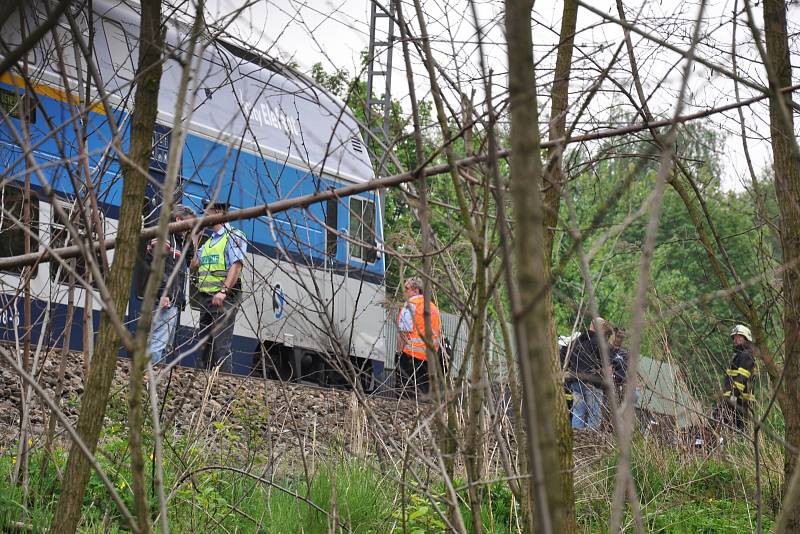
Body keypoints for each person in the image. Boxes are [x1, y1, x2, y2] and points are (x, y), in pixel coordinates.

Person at [191, 200, 247, 373]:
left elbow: (236, 266)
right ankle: (204, 382)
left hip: (225, 299)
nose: (204, 218)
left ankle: (223, 383)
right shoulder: (208, 242)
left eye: (207, 214)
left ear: (217, 213)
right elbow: (194, 264)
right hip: (206, 298)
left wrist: (223, 291)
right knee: (205, 346)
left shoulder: (233, 236)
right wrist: (194, 239)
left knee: (220, 345)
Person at [146, 204, 195, 363]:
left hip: (173, 299)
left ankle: (154, 378)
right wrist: (163, 293)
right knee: (158, 340)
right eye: (189, 224)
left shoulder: (178, 241)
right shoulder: (164, 236)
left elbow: (190, 261)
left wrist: (190, 237)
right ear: (179, 219)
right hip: (165, 296)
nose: (190, 228)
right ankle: (149, 377)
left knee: (164, 342)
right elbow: (158, 265)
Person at [395, 276, 441, 398]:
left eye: (407, 288)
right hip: (429, 358)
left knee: (405, 395)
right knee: (423, 396)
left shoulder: (410, 305)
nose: (404, 291)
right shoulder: (433, 308)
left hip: (410, 356)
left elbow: (403, 333)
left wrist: (399, 354)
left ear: (416, 290)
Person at [566, 317, 611, 430]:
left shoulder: (577, 341)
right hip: (593, 384)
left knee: (578, 413)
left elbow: (564, 353)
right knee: (594, 415)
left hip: (576, 381)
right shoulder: (600, 343)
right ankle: (589, 445)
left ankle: (576, 441)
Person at [718, 324, 756, 431]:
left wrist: (732, 398)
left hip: (740, 400)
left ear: (746, 338)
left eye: (739, 337)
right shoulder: (738, 356)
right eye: (734, 337)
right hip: (733, 399)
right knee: (735, 429)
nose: (735, 339)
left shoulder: (747, 355)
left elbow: (741, 379)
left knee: (717, 420)